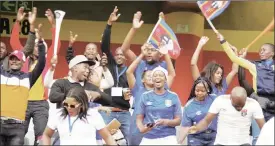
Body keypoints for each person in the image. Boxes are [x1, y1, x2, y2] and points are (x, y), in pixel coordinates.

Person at [217, 32, 274, 121]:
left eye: (264, 50)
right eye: (260, 50)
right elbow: (234, 58)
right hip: (260, 103)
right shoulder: (254, 65)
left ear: (272, 53)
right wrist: (223, 41)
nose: (261, 52)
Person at [0, 35, 46, 145]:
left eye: (17, 59)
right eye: (12, 59)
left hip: (18, 127)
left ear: (23, 62)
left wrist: (40, 44)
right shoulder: (1, 75)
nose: (14, 61)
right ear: (9, 61)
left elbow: (41, 64)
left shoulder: (28, 78)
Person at [127, 44, 176, 145]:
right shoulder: (137, 89)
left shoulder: (162, 89)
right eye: (147, 74)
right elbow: (129, 72)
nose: (150, 75)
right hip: (137, 128)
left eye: (152, 75)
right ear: (142, 79)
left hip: (155, 131)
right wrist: (142, 54)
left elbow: (172, 74)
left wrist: (166, 54)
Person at [189, 86, 265, 145]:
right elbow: (206, 120)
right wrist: (196, 128)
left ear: (246, 99)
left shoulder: (253, 104)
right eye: (236, 105)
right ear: (230, 98)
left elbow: (263, 127)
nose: (239, 108)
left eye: (242, 105)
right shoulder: (220, 100)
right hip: (222, 143)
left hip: (243, 143)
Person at [99, 6, 131, 143]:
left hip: (124, 113)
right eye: (116, 54)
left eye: (121, 54)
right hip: (108, 111)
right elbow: (105, 46)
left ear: (125, 58)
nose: (118, 56)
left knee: (129, 140)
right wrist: (109, 24)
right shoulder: (111, 66)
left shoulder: (129, 72)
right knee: (107, 142)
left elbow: (133, 89)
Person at [42, 87, 117, 145]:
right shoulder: (58, 115)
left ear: (81, 104)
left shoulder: (92, 115)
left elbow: (107, 137)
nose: (68, 108)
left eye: (72, 106)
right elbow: (46, 135)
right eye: (65, 104)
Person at [136, 66, 182, 145]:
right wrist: (142, 129)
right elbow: (139, 119)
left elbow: (178, 121)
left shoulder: (173, 96)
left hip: (168, 137)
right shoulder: (145, 96)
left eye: (160, 75)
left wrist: (166, 122)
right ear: (152, 80)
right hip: (149, 137)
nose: (157, 77)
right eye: (155, 75)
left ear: (165, 79)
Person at [179, 77, 217, 145]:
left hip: (213, 136)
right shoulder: (189, 106)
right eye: (197, 90)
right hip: (196, 137)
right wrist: (179, 142)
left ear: (208, 89)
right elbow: (185, 127)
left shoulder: (214, 99)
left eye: (202, 91)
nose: (199, 93)